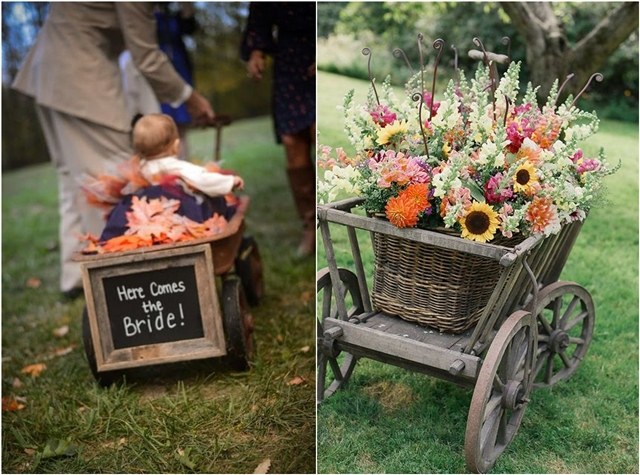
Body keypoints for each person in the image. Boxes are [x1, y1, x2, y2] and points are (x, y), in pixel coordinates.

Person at [11, 3, 215, 300]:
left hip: (49, 71)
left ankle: (75, 275)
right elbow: (146, 55)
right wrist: (190, 98)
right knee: (112, 178)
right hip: (79, 76)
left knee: (73, 180)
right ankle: (120, 282)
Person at [241, 2, 316, 258]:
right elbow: (259, 20)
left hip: (316, 55)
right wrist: (256, 53)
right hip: (288, 66)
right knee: (292, 143)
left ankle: (333, 216)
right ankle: (310, 226)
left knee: (320, 133)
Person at [99, 113, 243, 241]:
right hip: (180, 214)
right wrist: (230, 182)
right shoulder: (177, 167)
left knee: (126, 211)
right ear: (176, 145)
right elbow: (204, 180)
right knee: (212, 201)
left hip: (145, 216)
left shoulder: (139, 169)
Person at [155, 2, 197, 160]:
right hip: (155, 74)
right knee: (159, 124)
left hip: (179, 71)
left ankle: (181, 169)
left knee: (180, 125)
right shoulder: (145, 15)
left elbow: (189, 27)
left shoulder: (173, 16)